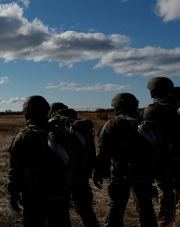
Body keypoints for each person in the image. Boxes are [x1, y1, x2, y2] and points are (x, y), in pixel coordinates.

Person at [93, 93, 158, 227]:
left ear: (117, 108)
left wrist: (98, 172)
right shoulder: (145, 124)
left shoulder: (111, 125)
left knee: (116, 207)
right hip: (143, 173)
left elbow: (103, 153)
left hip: (120, 172)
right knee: (146, 207)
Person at [8, 95, 72, 227]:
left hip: (33, 196)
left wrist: (13, 193)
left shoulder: (24, 136)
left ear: (27, 113)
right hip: (60, 193)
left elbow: (16, 170)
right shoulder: (61, 133)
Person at [49, 104, 99, 227]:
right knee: (87, 212)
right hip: (81, 178)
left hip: (59, 181)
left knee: (60, 216)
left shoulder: (52, 125)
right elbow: (92, 154)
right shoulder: (81, 126)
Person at [142, 77, 180, 227]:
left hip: (163, 160)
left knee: (165, 193)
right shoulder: (176, 109)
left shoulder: (152, 110)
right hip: (178, 158)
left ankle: (165, 221)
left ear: (153, 92)